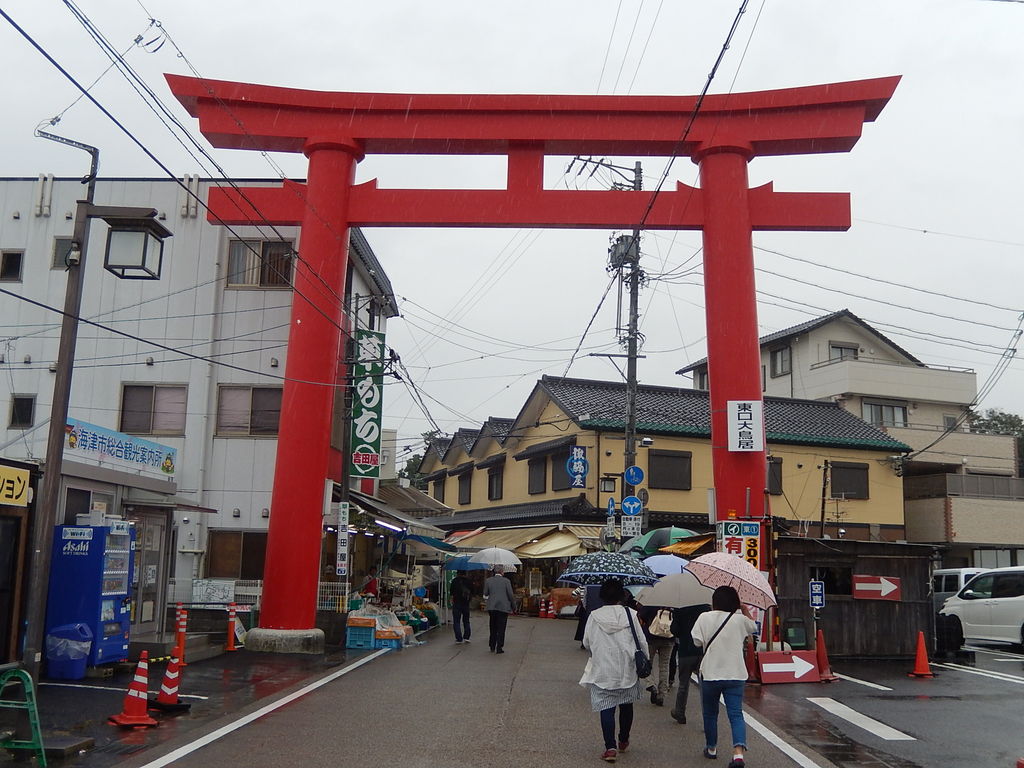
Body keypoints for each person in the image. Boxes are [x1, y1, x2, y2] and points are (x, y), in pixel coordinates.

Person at [579, 578, 648, 763]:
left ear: (602, 596)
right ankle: (623, 739)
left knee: (606, 707)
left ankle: (610, 748)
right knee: (626, 704)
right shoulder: (631, 614)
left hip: (603, 669)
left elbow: (586, 642)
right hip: (627, 668)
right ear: (622, 595)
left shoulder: (594, 616)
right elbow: (641, 641)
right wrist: (646, 661)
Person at [691, 586, 758, 768]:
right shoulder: (740, 620)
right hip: (735, 674)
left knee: (710, 713)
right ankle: (738, 754)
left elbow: (696, 641)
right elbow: (754, 628)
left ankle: (711, 748)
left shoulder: (704, 617)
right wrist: (744, 609)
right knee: (736, 714)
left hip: (710, 673)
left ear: (714, 601)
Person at [669, 601, 711, 724]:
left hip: (685, 651)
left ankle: (680, 713)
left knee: (683, 684)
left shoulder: (680, 607)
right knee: (704, 685)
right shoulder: (705, 607)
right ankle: (708, 718)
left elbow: (674, 630)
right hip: (702, 651)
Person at [636, 603, 674, 706]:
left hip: (651, 637)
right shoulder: (673, 604)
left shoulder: (652, 602)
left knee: (648, 662)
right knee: (664, 666)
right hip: (669, 638)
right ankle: (662, 694)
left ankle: (651, 685)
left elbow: (642, 615)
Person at [483, 565, 515, 653]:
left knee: (493, 626)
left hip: (492, 607)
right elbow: (510, 595)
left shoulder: (488, 580)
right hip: (503, 607)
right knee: (501, 628)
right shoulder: (506, 581)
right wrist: (513, 606)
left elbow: (485, 593)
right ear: (502, 572)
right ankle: (499, 647)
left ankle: (492, 645)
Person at [450, 570, 474, 644]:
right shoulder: (469, 581)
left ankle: (459, 638)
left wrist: (452, 600)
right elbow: (473, 592)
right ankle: (467, 637)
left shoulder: (454, 581)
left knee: (456, 621)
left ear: (458, 573)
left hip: (457, 603)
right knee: (466, 620)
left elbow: (451, 593)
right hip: (466, 603)